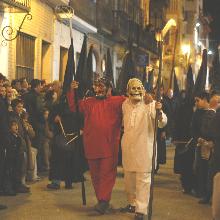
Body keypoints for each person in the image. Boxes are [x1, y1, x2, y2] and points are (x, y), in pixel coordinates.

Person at [74, 77, 126, 214]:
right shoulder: (88, 102)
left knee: (106, 175)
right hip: (91, 145)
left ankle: (103, 200)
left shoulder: (118, 101)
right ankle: (102, 201)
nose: (98, 89)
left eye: (102, 86)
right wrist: (72, 90)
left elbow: (134, 103)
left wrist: (149, 99)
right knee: (96, 175)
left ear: (110, 88)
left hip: (109, 146)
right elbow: (74, 105)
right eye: (96, 86)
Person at [120, 78, 167, 220]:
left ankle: (141, 210)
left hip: (145, 149)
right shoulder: (124, 105)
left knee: (143, 181)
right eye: (133, 88)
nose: (136, 91)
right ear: (128, 91)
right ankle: (132, 204)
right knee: (129, 181)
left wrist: (158, 111)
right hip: (128, 148)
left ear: (144, 90)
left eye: (139, 88)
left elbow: (162, 122)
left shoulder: (150, 104)